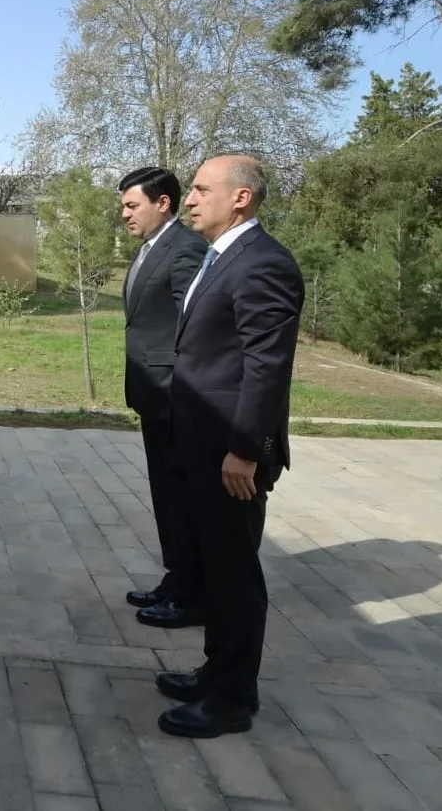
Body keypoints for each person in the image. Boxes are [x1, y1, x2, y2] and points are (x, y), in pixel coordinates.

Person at [155, 154, 304, 739]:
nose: (189, 199)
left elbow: (266, 367)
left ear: (241, 197)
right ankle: (216, 673)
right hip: (201, 444)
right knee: (214, 569)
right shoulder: (222, 256)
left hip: (230, 454)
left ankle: (231, 700)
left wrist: (246, 449)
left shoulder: (263, 263)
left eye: (199, 189)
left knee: (233, 575)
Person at [117, 167, 208, 630]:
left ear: (163, 203)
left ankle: (193, 595)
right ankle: (177, 580)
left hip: (176, 397)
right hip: (153, 396)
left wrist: (181, 386)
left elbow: (196, 325)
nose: (125, 214)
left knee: (183, 499)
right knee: (167, 495)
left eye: (132, 205)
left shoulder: (185, 248)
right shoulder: (151, 247)